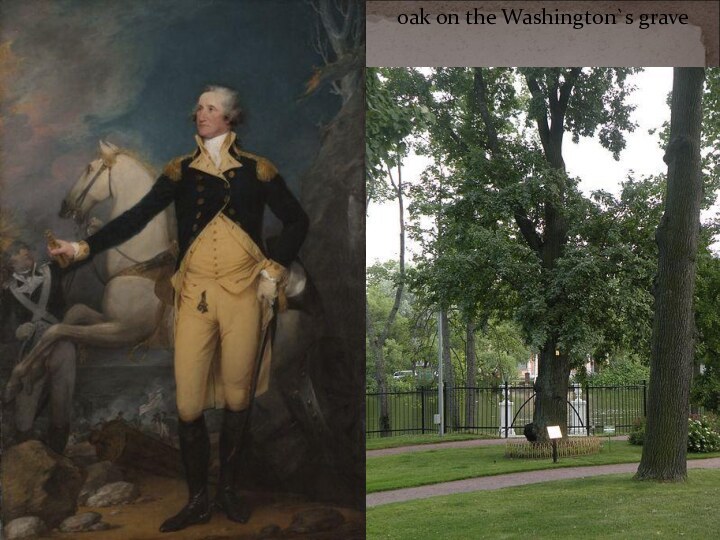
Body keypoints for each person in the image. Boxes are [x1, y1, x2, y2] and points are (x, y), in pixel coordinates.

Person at [50, 85, 309, 532]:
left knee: (236, 398)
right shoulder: (179, 171)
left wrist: (273, 269)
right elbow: (135, 218)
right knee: (188, 404)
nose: (200, 114)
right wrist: (82, 248)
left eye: (210, 108)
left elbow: (297, 221)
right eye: (199, 108)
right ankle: (197, 500)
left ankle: (227, 491)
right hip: (193, 297)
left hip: (245, 295)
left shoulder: (258, 170)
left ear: (230, 117)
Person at [0, 240, 76, 454]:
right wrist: (16, 332)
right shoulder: (8, 292)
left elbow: (78, 262)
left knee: (62, 394)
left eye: (21, 253)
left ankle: (58, 448)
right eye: (13, 256)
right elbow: (3, 330)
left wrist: (92, 234)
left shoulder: (52, 270)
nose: (18, 258)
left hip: (59, 341)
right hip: (30, 348)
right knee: (25, 411)